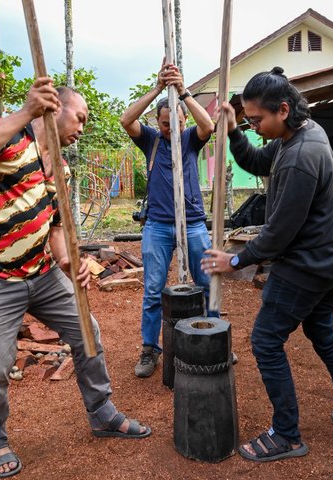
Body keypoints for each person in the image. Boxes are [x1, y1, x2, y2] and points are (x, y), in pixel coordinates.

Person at [0, 78, 150, 478]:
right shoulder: (10, 141)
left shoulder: (59, 166)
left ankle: (102, 411)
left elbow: (57, 228)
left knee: (87, 330)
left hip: (41, 274)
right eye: (79, 117)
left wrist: (67, 261)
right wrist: (25, 111)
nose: (82, 127)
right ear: (53, 108)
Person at [201, 67, 333, 463]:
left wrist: (235, 259)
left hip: (304, 267)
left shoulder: (301, 156)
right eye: (248, 119)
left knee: (266, 342)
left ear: (282, 109)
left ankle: (286, 434)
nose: (255, 127)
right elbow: (256, 161)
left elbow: (279, 233)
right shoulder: (298, 133)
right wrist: (232, 131)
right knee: (324, 335)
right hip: (329, 263)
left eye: (257, 120)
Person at [120, 61, 214, 378]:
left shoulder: (190, 139)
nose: (170, 128)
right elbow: (125, 119)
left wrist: (184, 93)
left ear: (184, 119)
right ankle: (150, 349)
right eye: (164, 123)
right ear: (157, 122)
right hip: (158, 226)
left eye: (175, 122)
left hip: (194, 223)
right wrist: (159, 89)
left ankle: (213, 337)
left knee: (206, 284)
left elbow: (209, 126)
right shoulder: (150, 139)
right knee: (153, 290)